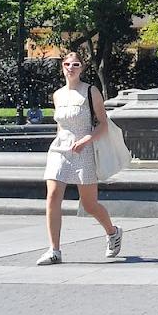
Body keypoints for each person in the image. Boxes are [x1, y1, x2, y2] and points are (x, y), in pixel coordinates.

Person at [35, 52, 122, 265]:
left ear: (82, 68)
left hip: (84, 149)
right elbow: (60, 125)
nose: (70, 68)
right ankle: (54, 250)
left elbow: (102, 123)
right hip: (60, 149)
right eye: (67, 64)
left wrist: (86, 140)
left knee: (89, 204)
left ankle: (113, 232)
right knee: (53, 196)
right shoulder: (58, 95)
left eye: (75, 64)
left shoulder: (90, 92)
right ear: (62, 67)